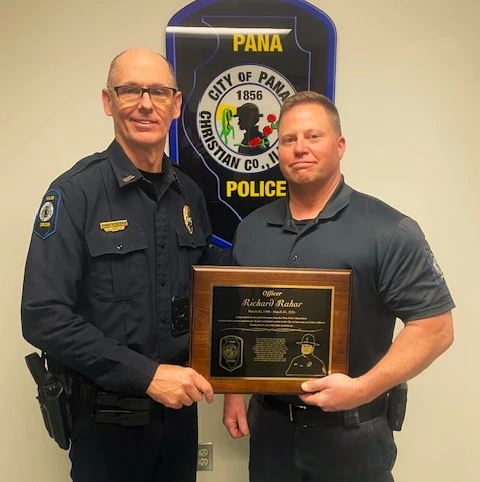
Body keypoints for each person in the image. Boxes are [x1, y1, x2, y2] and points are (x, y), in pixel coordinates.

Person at [223, 91, 455, 482]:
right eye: (289, 139)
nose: (300, 148)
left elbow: (436, 329)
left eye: (313, 136)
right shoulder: (251, 230)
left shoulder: (388, 230)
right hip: (271, 433)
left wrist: (363, 389)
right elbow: (240, 318)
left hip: (353, 436)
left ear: (340, 145)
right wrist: (233, 389)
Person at [21, 48, 225, 482]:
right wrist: (146, 376)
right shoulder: (75, 194)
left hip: (179, 423)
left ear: (176, 104)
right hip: (106, 428)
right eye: (130, 90)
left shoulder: (189, 195)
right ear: (107, 101)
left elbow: (211, 286)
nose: (145, 104)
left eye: (159, 92)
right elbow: (43, 316)